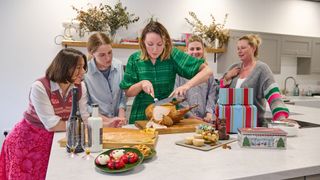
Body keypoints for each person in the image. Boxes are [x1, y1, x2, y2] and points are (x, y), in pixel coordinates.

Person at [0, 48, 89, 179]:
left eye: (83, 67)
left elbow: (84, 118)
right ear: (64, 68)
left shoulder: (80, 87)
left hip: (58, 138)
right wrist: (80, 125)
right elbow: (52, 125)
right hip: (28, 140)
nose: (82, 72)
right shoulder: (40, 87)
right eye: (78, 67)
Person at [120, 20, 213, 124]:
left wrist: (186, 86)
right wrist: (141, 84)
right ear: (143, 42)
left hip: (168, 115)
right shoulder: (134, 59)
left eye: (159, 44)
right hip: (142, 115)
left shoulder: (172, 55)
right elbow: (128, 91)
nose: (155, 49)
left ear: (166, 42)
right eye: (150, 44)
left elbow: (207, 71)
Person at [220, 34, 290, 127]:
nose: (239, 51)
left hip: (254, 125)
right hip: (231, 124)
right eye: (238, 48)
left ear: (253, 48)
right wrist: (227, 77)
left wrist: (281, 117)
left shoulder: (262, 69)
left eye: (243, 48)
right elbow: (220, 94)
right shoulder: (233, 67)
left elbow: (274, 95)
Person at [85, 32, 126, 127]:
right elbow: (86, 106)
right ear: (92, 53)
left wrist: (121, 117)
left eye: (110, 52)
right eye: (102, 55)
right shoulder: (85, 72)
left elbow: (122, 94)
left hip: (117, 123)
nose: (108, 58)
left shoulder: (119, 66)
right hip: (98, 124)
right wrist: (108, 121)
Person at [174, 35, 218, 123]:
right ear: (186, 51)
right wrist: (189, 115)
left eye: (198, 49)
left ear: (203, 50)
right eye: (192, 49)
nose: (195, 52)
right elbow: (178, 96)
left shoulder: (207, 71)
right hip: (185, 119)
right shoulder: (180, 72)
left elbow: (212, 94)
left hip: (204, 120)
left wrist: (209, 113)